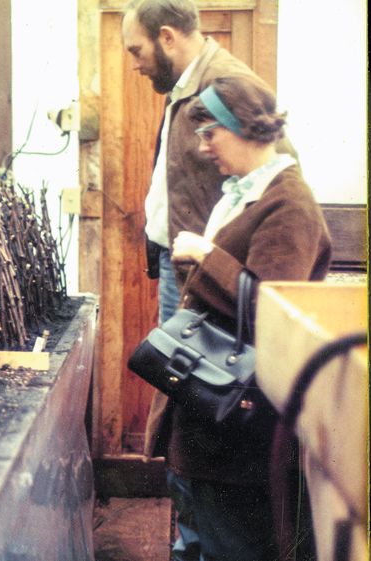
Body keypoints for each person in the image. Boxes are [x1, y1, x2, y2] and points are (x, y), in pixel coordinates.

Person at [121, 3, 294, 559]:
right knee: (184, 415)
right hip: (191, 273)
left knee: (200, 413)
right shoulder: (186, 87)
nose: (135, 64)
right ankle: (190, 539)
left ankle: (198, 542)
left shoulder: (229, 88)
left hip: (213, 283)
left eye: (137, 50)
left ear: (167, 37)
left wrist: (211, 260)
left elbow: (275, 180)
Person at [152, 75, 331, 561]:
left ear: (246, 128)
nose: (203, 145)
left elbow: (275, 311)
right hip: (213, 422)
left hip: (239, 433)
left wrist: (206, 257)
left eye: (211, 132)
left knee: (226, 543)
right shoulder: (243, 192)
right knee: (199, 539)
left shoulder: (289, 206)